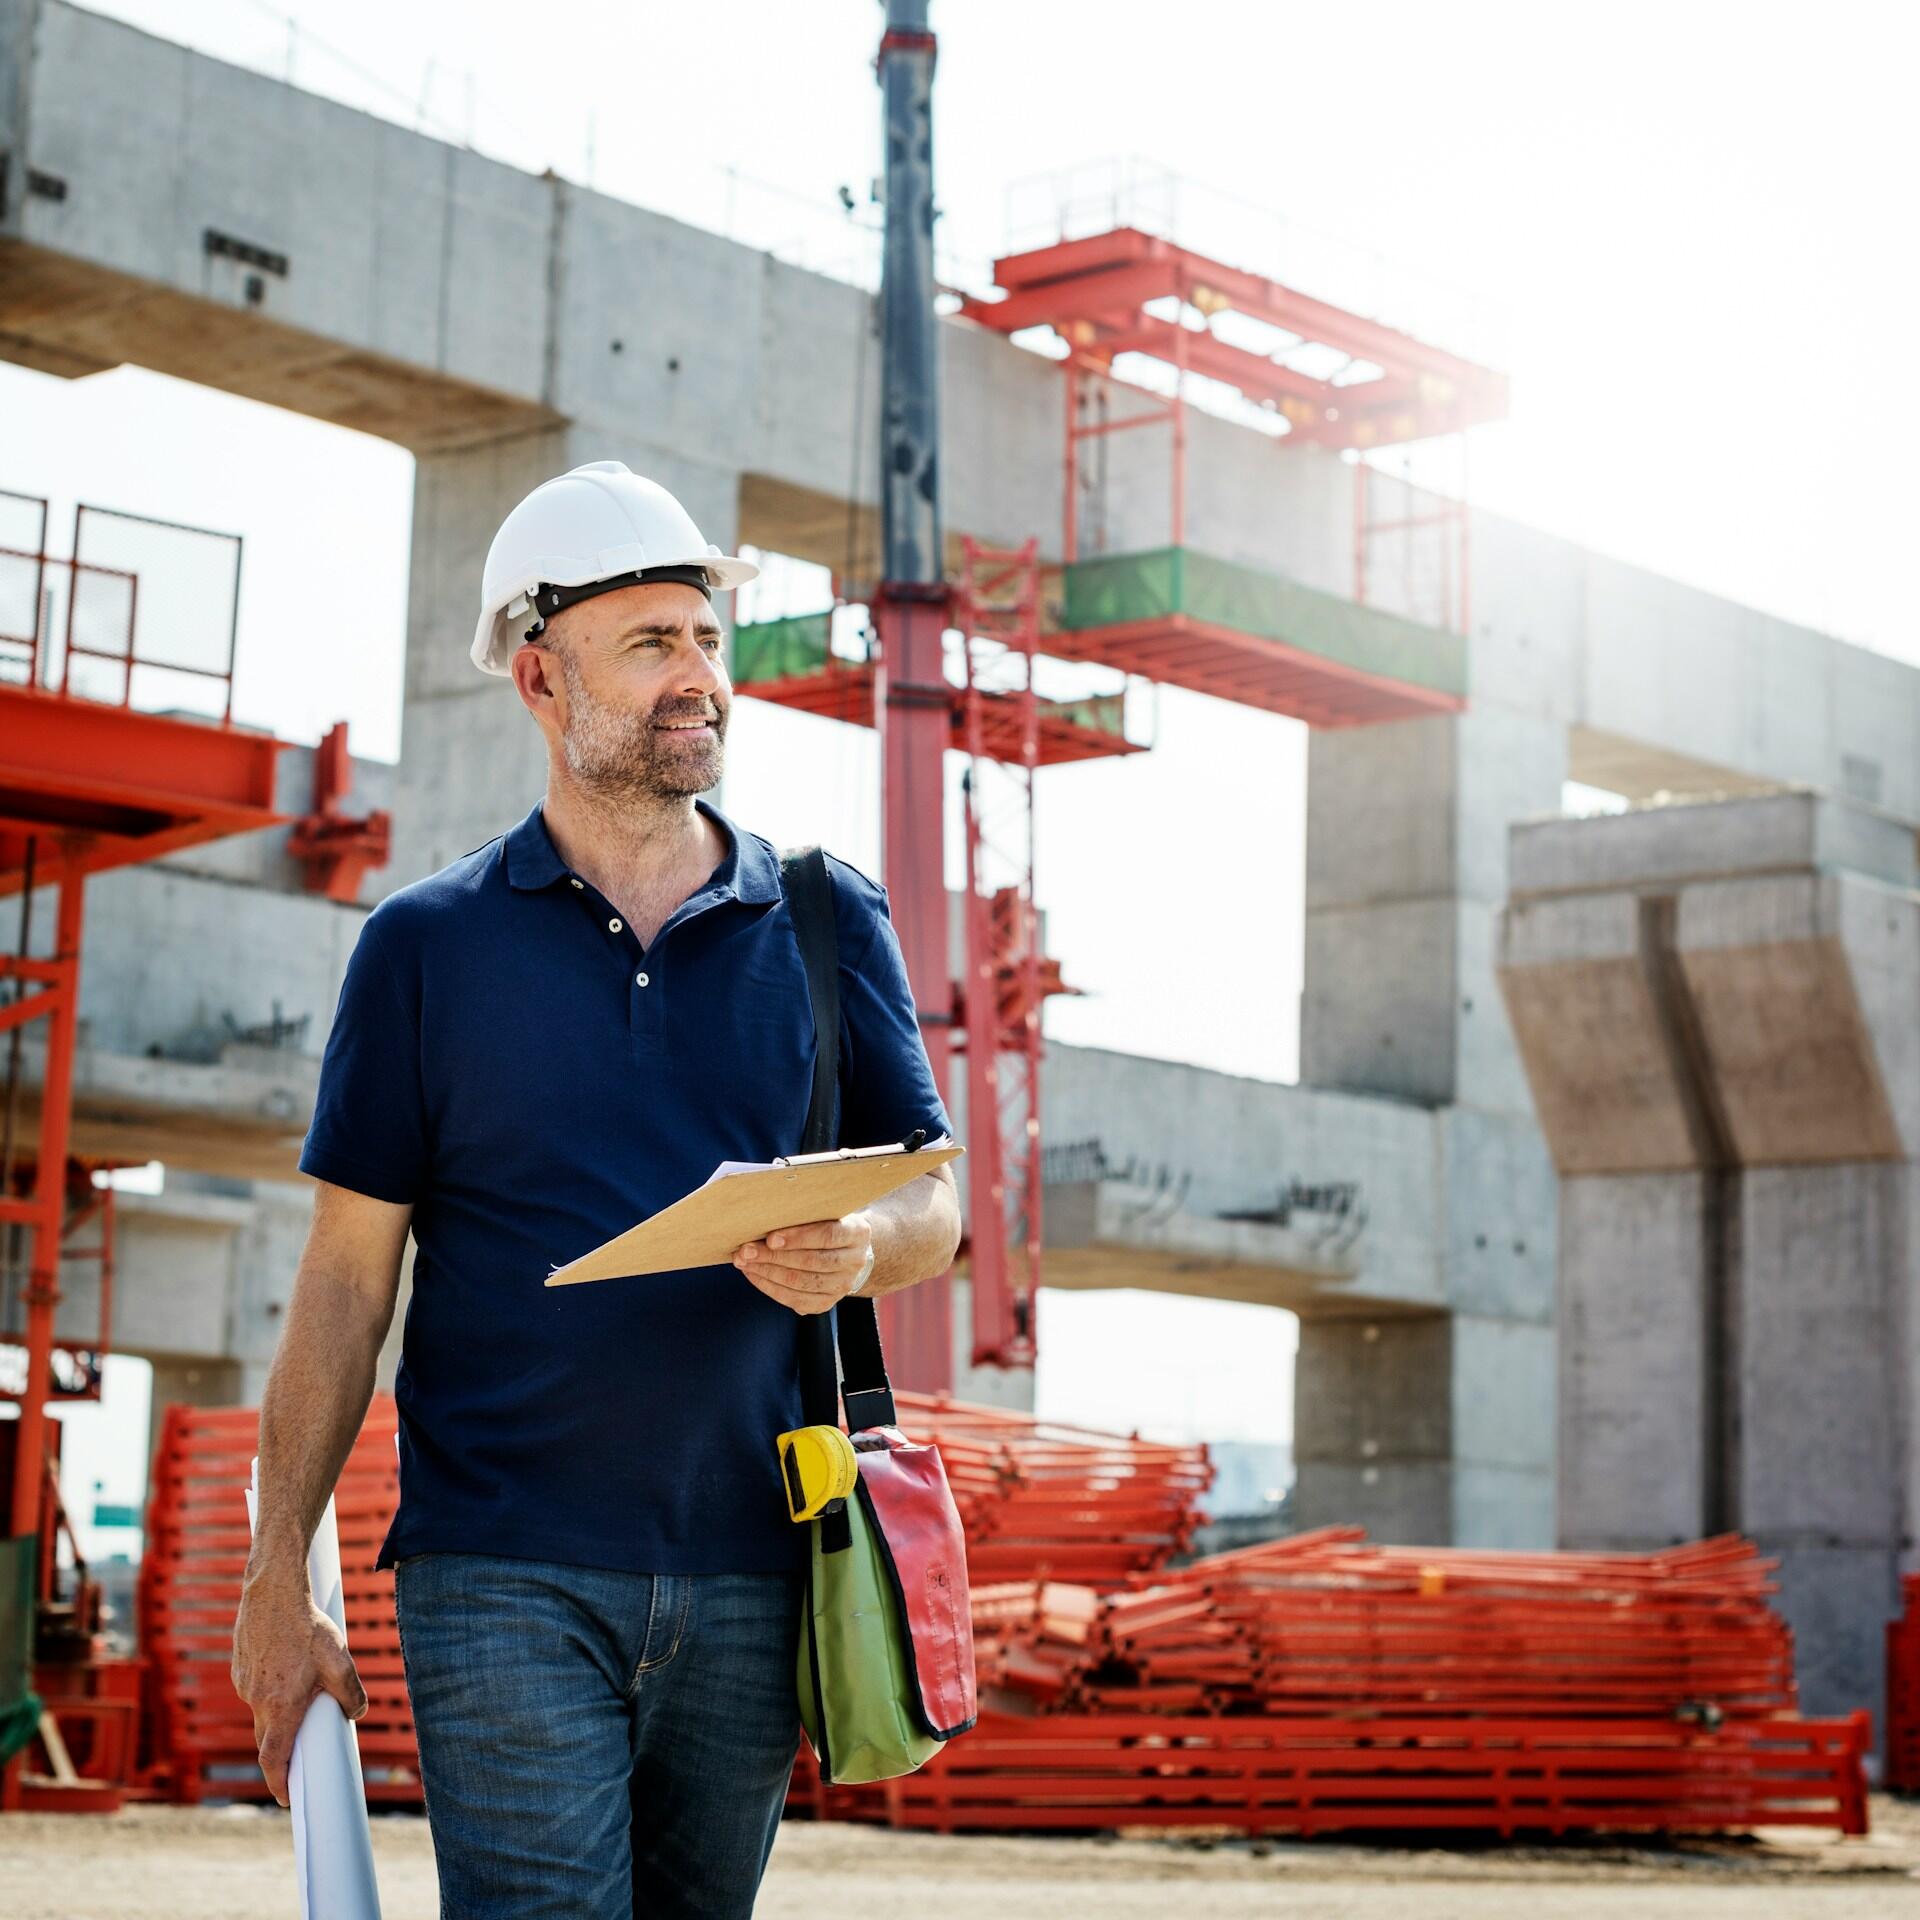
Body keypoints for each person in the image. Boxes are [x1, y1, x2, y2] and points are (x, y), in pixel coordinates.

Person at [231, 461, 961, 1917]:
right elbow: (344, 1280)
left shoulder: (825, 918)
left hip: (761, 1563)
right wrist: (275, 1581)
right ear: (539, 681)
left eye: (708, 639)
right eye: (651, 646)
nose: (699, 676)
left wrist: (861, 1247)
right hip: (502, 1567)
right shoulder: (427, 948)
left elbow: (934, 1206)